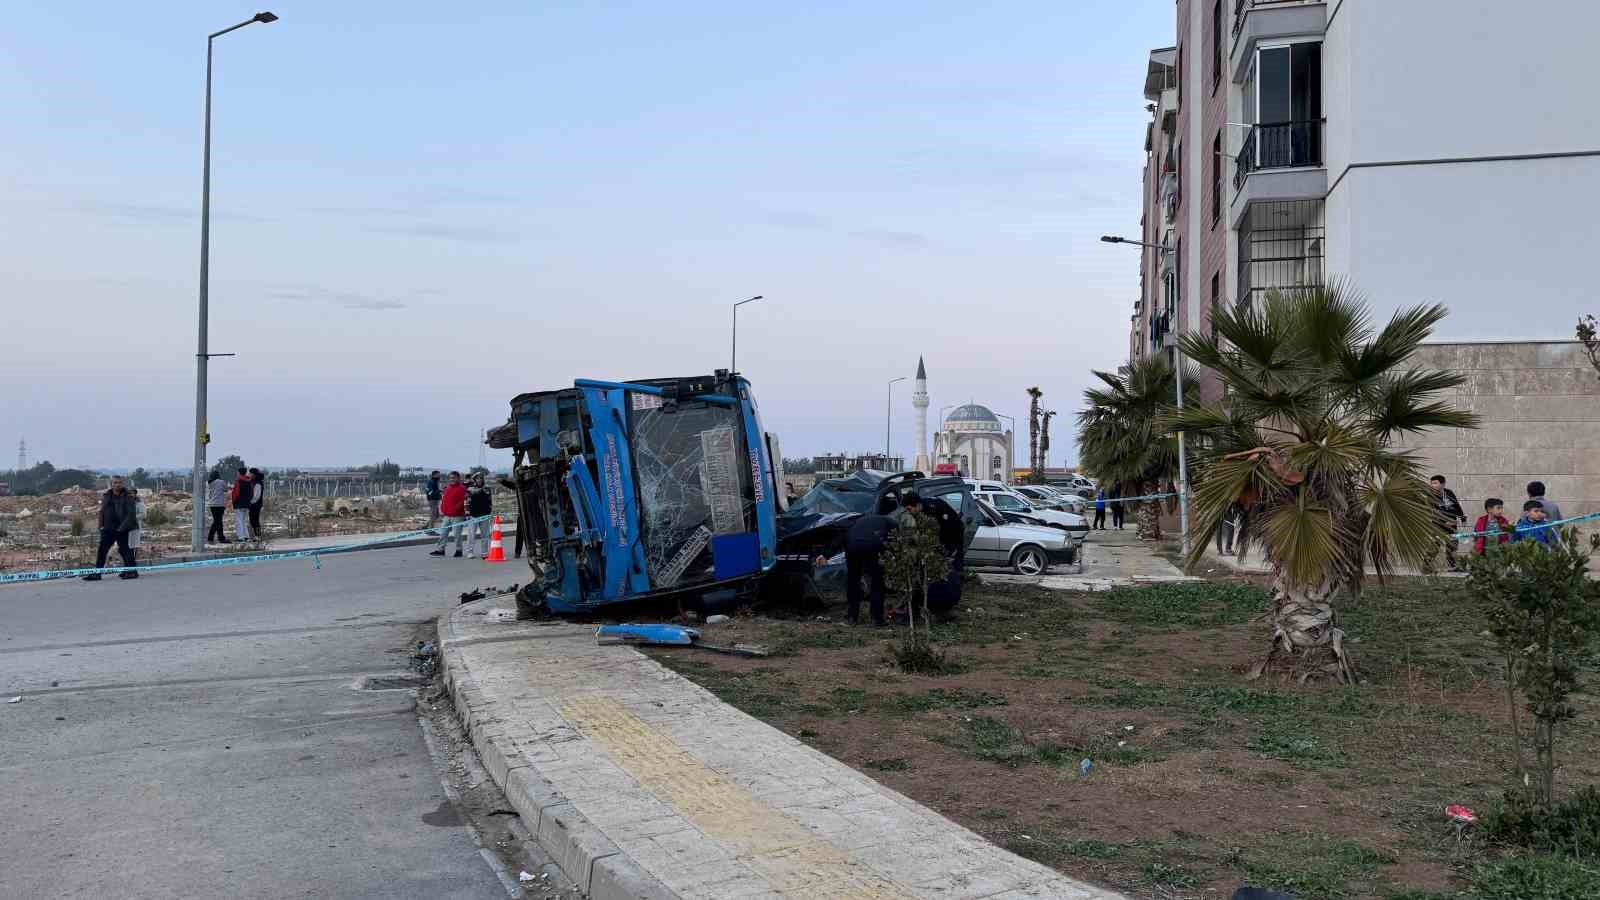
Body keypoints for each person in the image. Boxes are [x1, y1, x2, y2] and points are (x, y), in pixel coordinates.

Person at [844, 509, 897, 626]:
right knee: (877, 582)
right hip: (872, 545)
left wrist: (826, 554)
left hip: (852, 545)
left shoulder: (859, 521)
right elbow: (897, 540)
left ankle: (852, 617)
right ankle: (876, 618)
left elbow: (844, 536)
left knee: (853, 580)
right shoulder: (891, 522)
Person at [82, 476, 139, 581]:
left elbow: (131, 515)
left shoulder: (128, 497)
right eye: (115, 483)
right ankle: (97, 574)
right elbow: (102, 511)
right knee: (102, 551)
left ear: (122, 484)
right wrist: (101, 526)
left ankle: (132, 572)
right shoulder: (107, 496)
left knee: (125, 551)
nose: (117, 485)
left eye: (119, 483)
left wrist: (121, 528)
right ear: (111, 484)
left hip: (121, 529)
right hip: (108, 529)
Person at [1430, 475, 1466, 570]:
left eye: (1435, 483)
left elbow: (1456, 505)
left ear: (1442, 484)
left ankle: (1452, 566)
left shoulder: (1449, 493)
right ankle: (1426, 565)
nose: (1432, 485)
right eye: (1432, 483)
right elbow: (1432, 512)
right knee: (1434, 546)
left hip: (1452, 525)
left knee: (1452, 546)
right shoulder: (1430, 495)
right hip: (1438, 525)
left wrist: (1462, 518)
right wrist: (1444, 522)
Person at [429, 472, 469, 557]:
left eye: (454, 478)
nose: (452, 479)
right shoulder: (448, 488)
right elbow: (444, 500)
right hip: (447, 515)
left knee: (457, 534)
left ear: (458, 478)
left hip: (458, 516)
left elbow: (463, 501)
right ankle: (440, 549)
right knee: (443, 533)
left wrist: (455, 509)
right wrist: (443, 509)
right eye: (450, 478)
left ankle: (459, 550)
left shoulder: (462, 488)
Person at [465, 472, 493, 558]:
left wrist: (490, 512)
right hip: (473, 515)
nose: (480, 480)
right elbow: (467, 502)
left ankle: (484, 553)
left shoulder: (487, 489)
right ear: (475, 480)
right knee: (471, 535)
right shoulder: (470, 489)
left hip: (485, 515)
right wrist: (467, 513)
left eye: (481, 478)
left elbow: (490, 501)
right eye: (478, 478)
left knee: (485, 535)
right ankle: (470, 552)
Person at [206, 469, 230, 544]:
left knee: (217, 521)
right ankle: (215, 537)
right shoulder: (221, 482)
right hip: (220, 504)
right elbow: (226, 489)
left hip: (212, 504)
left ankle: (219, 537)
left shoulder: (209, 483)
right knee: (218, 522)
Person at [230, 467, 253, 541]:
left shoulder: (238, 481)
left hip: (239, 504)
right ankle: (246, 536)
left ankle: (240, 537)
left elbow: (235, 493)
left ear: (239, 473)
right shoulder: (249, 481)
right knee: (243, 520)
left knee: (238, 520)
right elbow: (251, 493)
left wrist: (233, 501)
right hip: (247, 504)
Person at [248, 468, 266, 541]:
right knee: (252, 520)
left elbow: (256, 496)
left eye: (250, 473)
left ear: (254, 474)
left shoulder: (258, 483)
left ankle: (258, 536)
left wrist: (250, 502)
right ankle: (257, 535)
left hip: (255, 504)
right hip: (252, 504)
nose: (249, 475)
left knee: (255, 520)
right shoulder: (252, 482)